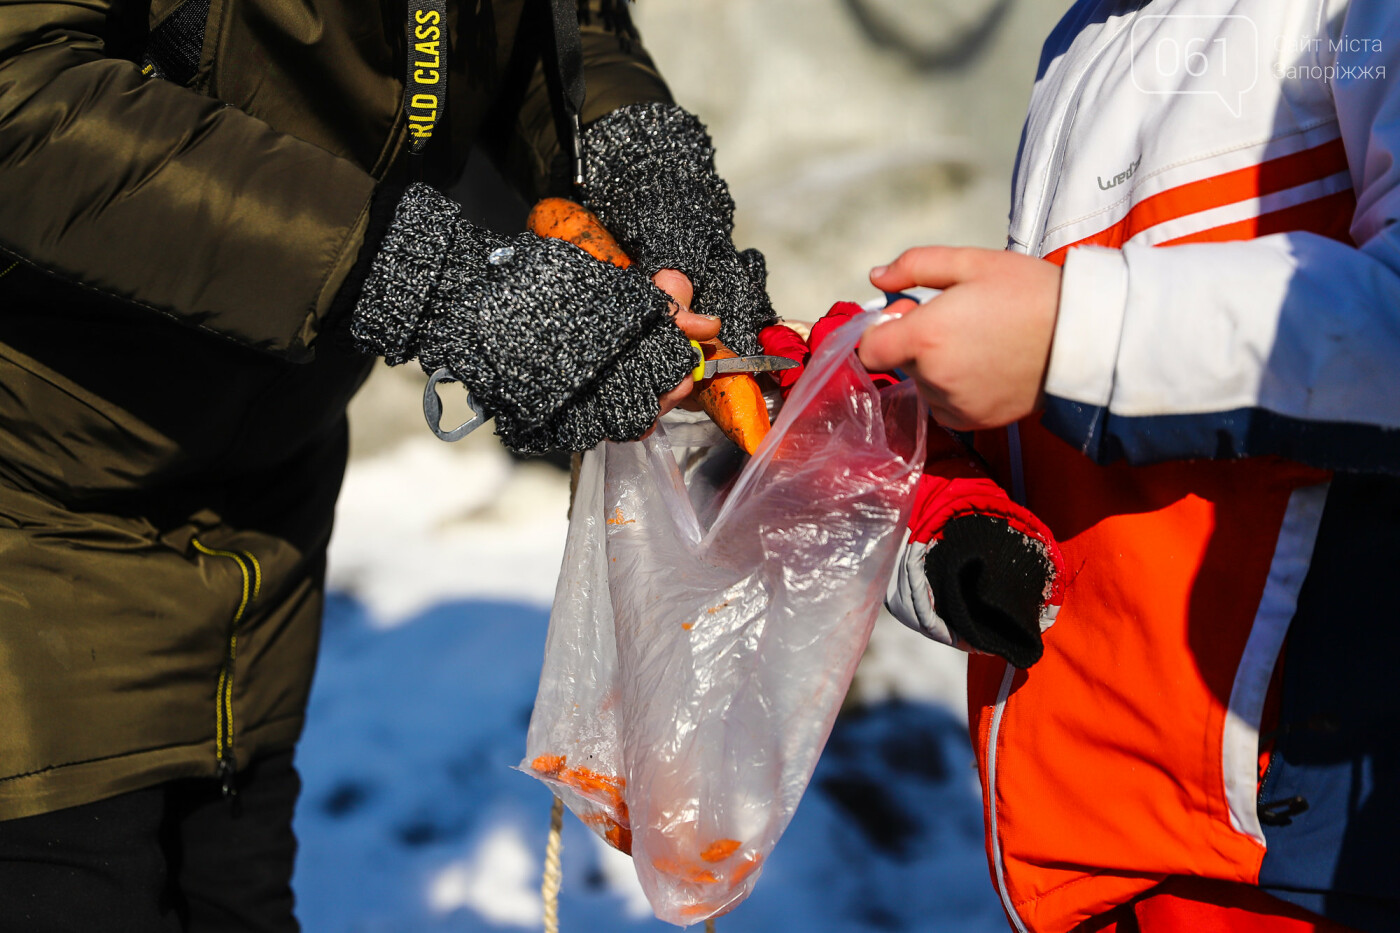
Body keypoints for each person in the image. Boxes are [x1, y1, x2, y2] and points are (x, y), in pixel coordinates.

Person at [0, 0, 773, 929]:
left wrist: (646, 185)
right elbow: (20, 88)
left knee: (231, 892)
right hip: (33, 492)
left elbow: (558, 28)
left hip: (264, 502)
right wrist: (421, 274)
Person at [856, 1, 1400, 931]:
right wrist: (873, 392)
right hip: (1097, 855)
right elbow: (1106, 384)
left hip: (1296, 864)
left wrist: (1070, 331)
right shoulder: (1083, 40)